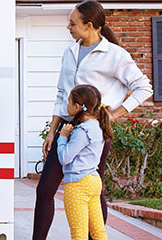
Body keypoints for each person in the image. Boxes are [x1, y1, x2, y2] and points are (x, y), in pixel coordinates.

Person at [32, 0, 153, 240]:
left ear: (89, 25)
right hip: (66, 129)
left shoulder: (115, 55)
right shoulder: (70, 51)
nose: (69, 27)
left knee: (93, 192)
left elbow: (143, 87)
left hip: (93, 133)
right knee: (45, 190)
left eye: (73, 23)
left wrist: (112, 115)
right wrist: (52, 131)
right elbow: (61, 93)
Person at [57, 84, 112, 240]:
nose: (66, 105)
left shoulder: (83, 130)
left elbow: (64, 158)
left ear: (77, 106)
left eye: (68, 102)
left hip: (78, 184)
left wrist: (62, 137)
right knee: (98, 232)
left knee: (78, 234)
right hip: (93, 181)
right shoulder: (97, 126)